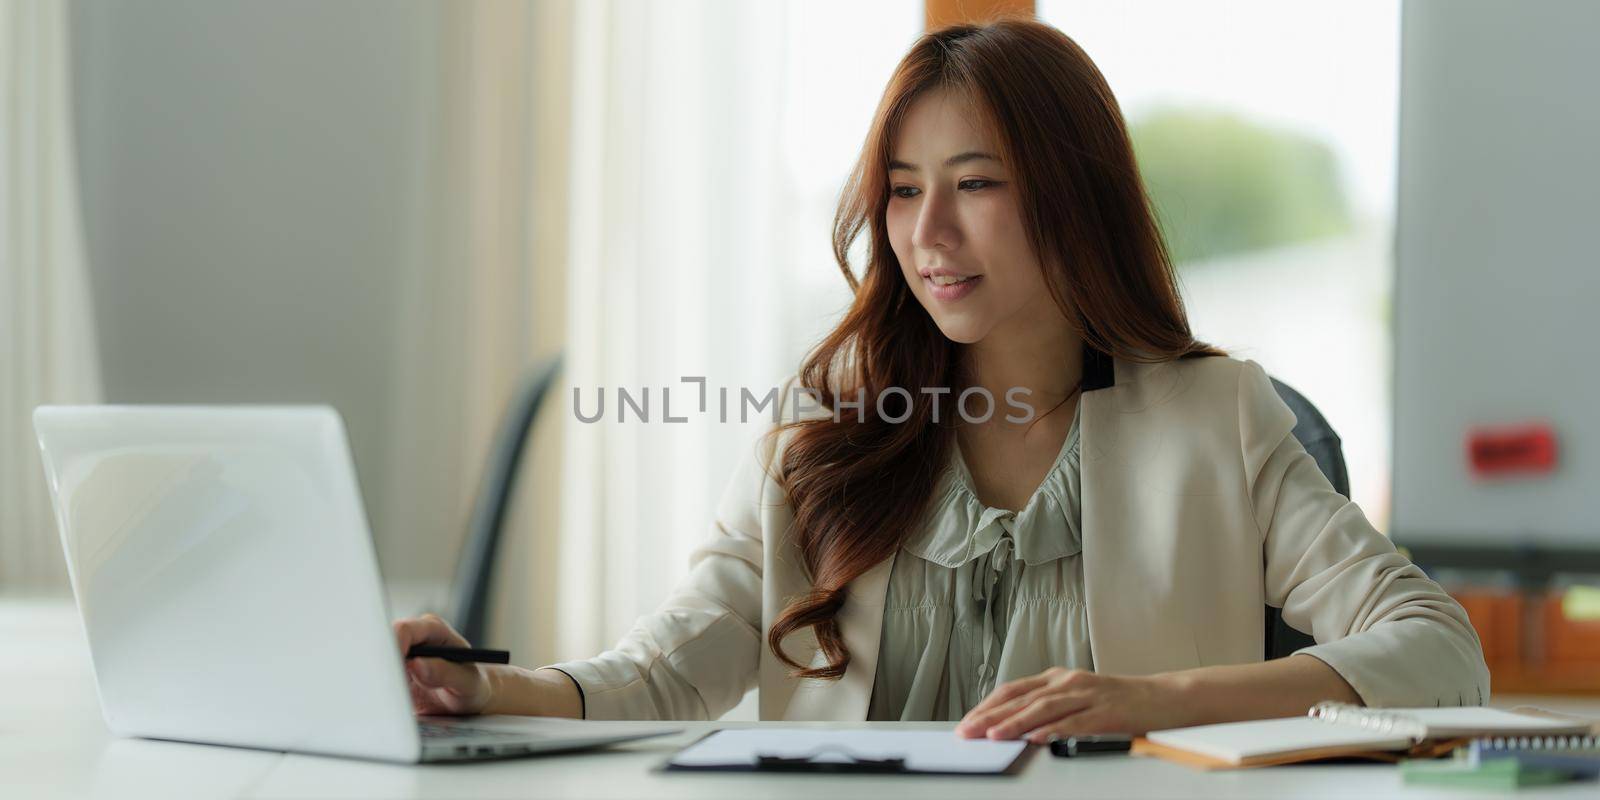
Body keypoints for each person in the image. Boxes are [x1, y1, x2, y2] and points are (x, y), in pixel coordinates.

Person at [393, 17, 1489, 744]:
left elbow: (1438, 651)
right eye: (903, 190)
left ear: (1071, 196)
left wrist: (1158, 701)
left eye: (975, 183)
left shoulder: (1217, 419)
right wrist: (492, 686)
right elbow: (672, 663)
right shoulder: (824, 427)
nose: (929, 233)